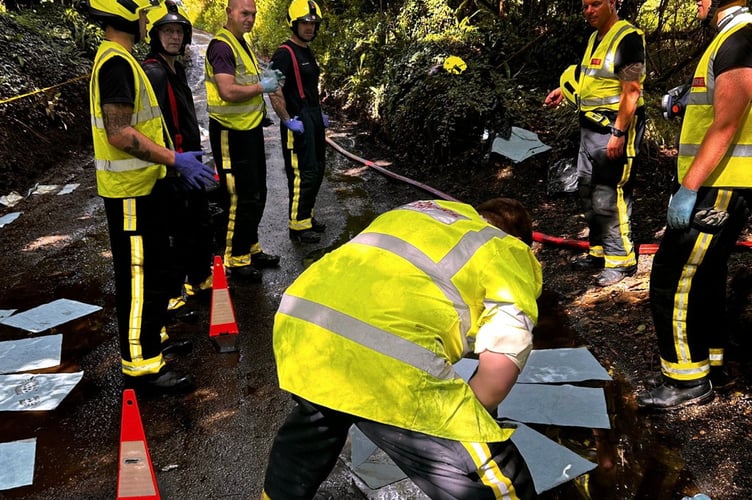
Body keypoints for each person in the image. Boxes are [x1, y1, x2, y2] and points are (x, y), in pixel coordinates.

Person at [262, 198, 542, 499]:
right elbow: (501, 362)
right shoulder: (508, 250)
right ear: (522, 242)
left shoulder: (421, 211)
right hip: (384, 356)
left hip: (304, 323)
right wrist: (466, 426)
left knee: (315, 431)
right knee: (500, 480)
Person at [87, 0, 216, 393]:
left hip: (145, 188)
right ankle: (140, 365)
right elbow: (119, 133)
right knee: (138, 278)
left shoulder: (122, 59)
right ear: (123, 14)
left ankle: (151, 341)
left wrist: (169, 166)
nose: (147, 20)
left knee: (157, 273)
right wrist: (174, 158)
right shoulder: (117, 64)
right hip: (129, 195)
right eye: (143, 14)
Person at [637, 0, 752, 411]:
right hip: (718, 181)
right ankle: (712, 364)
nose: (697, 2)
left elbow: (728, 122)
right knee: (704, 276)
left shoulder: (740, 38)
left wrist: (689, 187)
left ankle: (686, 380)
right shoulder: (728, 38)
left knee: (673, 276)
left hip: (718, 185)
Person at [543, 0, 646, 287]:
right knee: (588, 190)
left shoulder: (627, 38)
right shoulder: (594, 38)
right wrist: (562, 91)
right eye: (585, 5)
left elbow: (632, 90)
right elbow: (588, 76)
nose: (589, 11)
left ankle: (620, 261)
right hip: (590, 128)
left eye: (596, 4)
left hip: (612, 129)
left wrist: (619, 132)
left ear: (612, 3)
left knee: (609, 195)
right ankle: (598, 251)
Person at [142, 0, 214, 320]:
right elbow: (158, 125)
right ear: (155, 35)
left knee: (197, 222)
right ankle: (173, 293)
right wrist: (175, 162)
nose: (174, 37)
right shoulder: (154, 71)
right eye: (167, 31)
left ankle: (199, 278)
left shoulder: (177, 68)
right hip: (172, 166)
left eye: (178, 31)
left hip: (190, 160)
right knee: (173, 230)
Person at [204, 0, 283, 282]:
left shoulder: (241, 43)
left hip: (248, 130)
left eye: (253, 14)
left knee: (256, 192)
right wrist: (263, 86)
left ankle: (250, 248)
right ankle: (235, 260)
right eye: (244, 13)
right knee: (238, 196)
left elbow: (245, 81)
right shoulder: (222, 46)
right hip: (230, 133)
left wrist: (264, 79)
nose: (249, 19)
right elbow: (227, 91)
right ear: (229, 13)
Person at [269, 0, 328, 244]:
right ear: (294, 23)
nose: (309, 28)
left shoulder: (306, 50)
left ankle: (307, 215)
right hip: (298, 119)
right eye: (305, 23)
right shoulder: (284, 54)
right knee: (302, 172)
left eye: (313, 24)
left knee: (317, 169)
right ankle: (298, 225)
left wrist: (319, 113)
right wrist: (287, 120)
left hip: (313, 116)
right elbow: (273, 90)